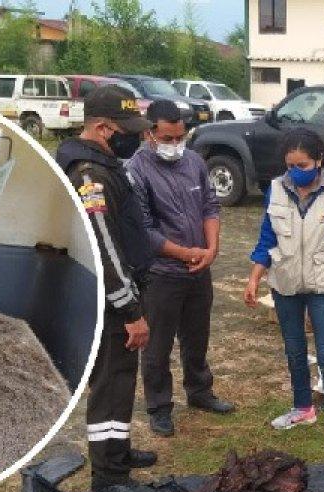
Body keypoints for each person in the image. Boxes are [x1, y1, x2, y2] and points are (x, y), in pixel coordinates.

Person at [55, 84, 157, 491]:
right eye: (127, 128)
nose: (136, 136)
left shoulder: (105, 164)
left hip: (123, 294)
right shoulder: (90, 175)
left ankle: (118, 450)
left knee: (121, 379)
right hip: (114, 304)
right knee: (110, 384)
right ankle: (109, 475)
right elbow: (104, 248)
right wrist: (130, 311)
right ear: (102, 127)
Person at [244, 128, 324, 453]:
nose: (297, 171)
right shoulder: (276, 189)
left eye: (303, 164)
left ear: (319, 160)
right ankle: (303, 409)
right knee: (294, 351)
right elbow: (267, 238)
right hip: (284, 282)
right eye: (291, 165)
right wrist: (255, 277)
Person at [127, 100, 235, 438]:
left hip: (199, 270)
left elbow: (210, 206)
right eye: (168, 138)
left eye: (180, 136)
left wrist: (211, 249)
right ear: (149, 134)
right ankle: (159, 407)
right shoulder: (135, 171)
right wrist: (186, 253)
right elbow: (144, 230)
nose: (175, 144)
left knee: (196, 336)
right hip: (161, 274)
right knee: (157, 346)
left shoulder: (194, 162)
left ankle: (200, 391)